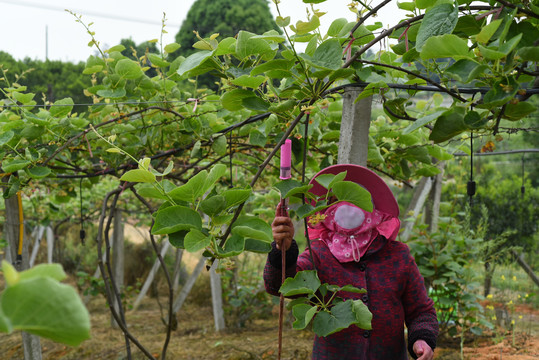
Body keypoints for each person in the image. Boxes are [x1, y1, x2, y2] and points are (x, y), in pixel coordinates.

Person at [264, 164, 438, 360]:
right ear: (326, 210)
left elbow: (421, 310)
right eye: (336, 201)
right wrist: (282, 251)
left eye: (352, 199)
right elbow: (279, 285)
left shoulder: (398, 256)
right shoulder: (319, 253)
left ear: (371, 206)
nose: (345, 207)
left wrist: (422, 339)